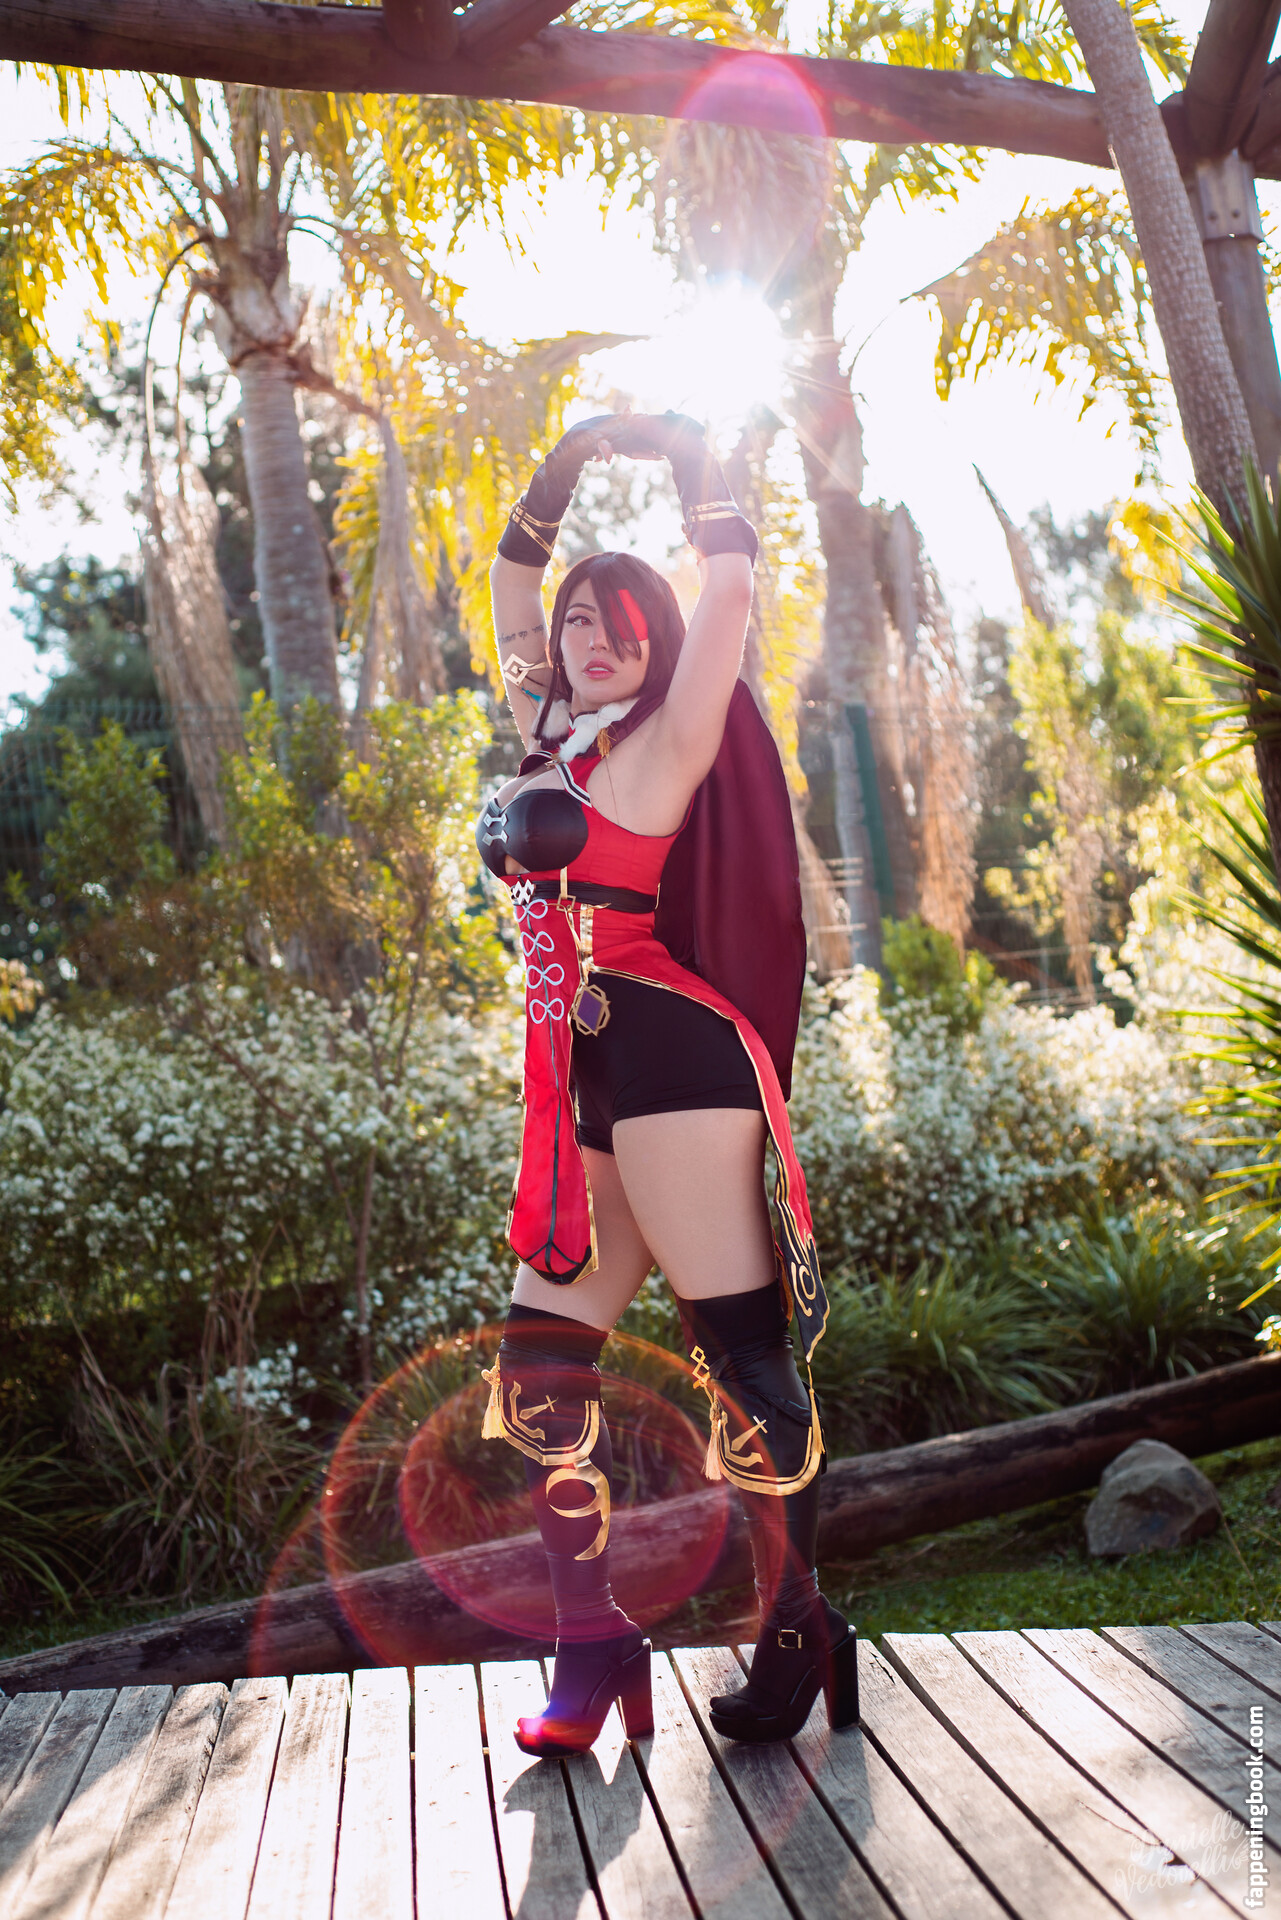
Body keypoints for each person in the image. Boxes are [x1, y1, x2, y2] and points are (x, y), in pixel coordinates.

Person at [477, 408, 856, 1757]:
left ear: (657, 638)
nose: (590, 633)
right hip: (577, 1074)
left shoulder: (669, 733)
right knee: (540, 1367)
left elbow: (732, 586)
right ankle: (592, 1644)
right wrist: (565, 463)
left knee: (742, 1360)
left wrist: (696, 462)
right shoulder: (548, 733)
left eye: (621, 617)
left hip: (677, 1061)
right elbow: (511, 586)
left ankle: (798, 1628)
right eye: (579, 619)